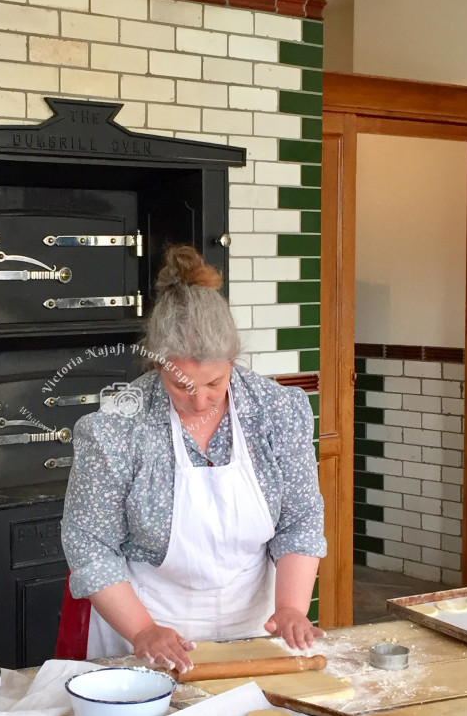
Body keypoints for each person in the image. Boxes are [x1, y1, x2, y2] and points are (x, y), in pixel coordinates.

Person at [61, 245, 326, 673]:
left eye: (214, 383)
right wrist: (143, 630)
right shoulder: (117, 427)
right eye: (180, 384)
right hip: (148, 627)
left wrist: (292, 608)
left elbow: (300, 519)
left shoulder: (275, 411)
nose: (199, 400)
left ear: (232, 361)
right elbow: (90, 545)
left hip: (255, 624)